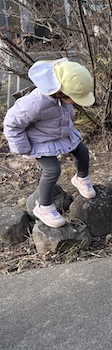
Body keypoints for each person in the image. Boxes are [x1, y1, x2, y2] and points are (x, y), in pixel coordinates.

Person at [3, 58, 96, 228]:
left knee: (82, 151)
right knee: (52, 169)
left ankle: (81, 178)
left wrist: (69, 119)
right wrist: (22, 147)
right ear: (59, 92)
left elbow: (65, 110)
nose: (76, 102)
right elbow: (11, 123)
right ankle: (43, 206)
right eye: (74, 98)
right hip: (40, 141)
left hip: (60, 133)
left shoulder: (60, 96)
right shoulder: (34, 103)